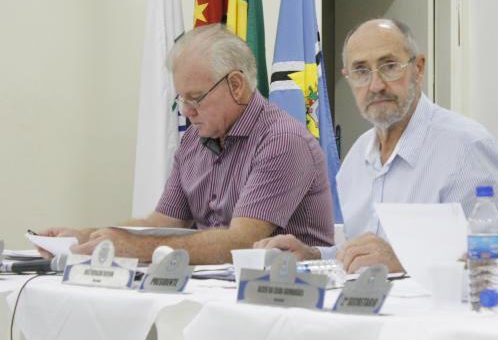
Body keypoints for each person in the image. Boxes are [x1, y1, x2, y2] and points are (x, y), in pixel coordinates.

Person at [39, 25, 333, 264]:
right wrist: (87, 237)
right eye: (182, 99)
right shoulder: (194, 140)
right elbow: (163, 222)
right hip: (216, 291)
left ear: (236, 85)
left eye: (196, 98)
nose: (186, 111)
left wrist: (134, 248)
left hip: (286, 295)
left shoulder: (281, 140)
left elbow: (243, 242)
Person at [255, 19, 498, 272]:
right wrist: (314, 256)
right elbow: (366, 253)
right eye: (361, 71)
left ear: (418, 68)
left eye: (389, 66)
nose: (375, 85)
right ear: (348, 77)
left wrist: (406, 262)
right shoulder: (356, 159)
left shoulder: (466, 146)